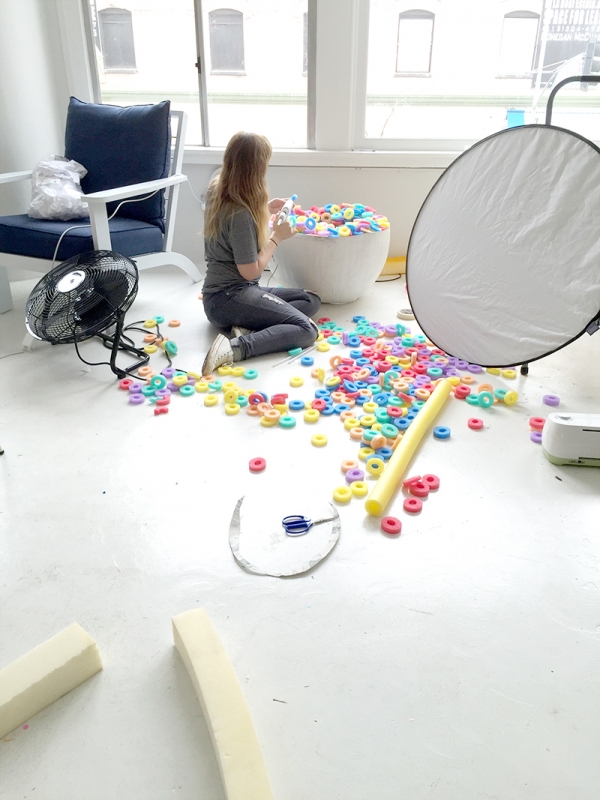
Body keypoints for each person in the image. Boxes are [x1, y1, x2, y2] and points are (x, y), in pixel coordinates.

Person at [201, 131, 321, 376]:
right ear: (255, 170)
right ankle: (234, 347)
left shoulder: (218, 190)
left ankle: (245, 326)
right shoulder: (241, 214)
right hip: (229, 296)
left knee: (310, 300)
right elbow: (250, 271)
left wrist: (266, 209)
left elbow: (232, 229)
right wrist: (277, 237)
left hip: (226, 296)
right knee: (307, 330)